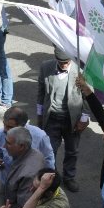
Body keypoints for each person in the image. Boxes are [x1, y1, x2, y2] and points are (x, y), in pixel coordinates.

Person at [36, 50, 86, 191]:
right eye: (61, 62)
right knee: (49, 151)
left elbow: (88, 95)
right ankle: (52, 178)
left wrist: (84, 117)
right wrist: (39, 115)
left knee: (72, 150)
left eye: (67, 62)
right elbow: (40, 92)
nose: (64, 65)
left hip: (72, 119)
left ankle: (69, 177)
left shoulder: (80, 70)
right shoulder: (46, 67)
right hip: (51, 118)